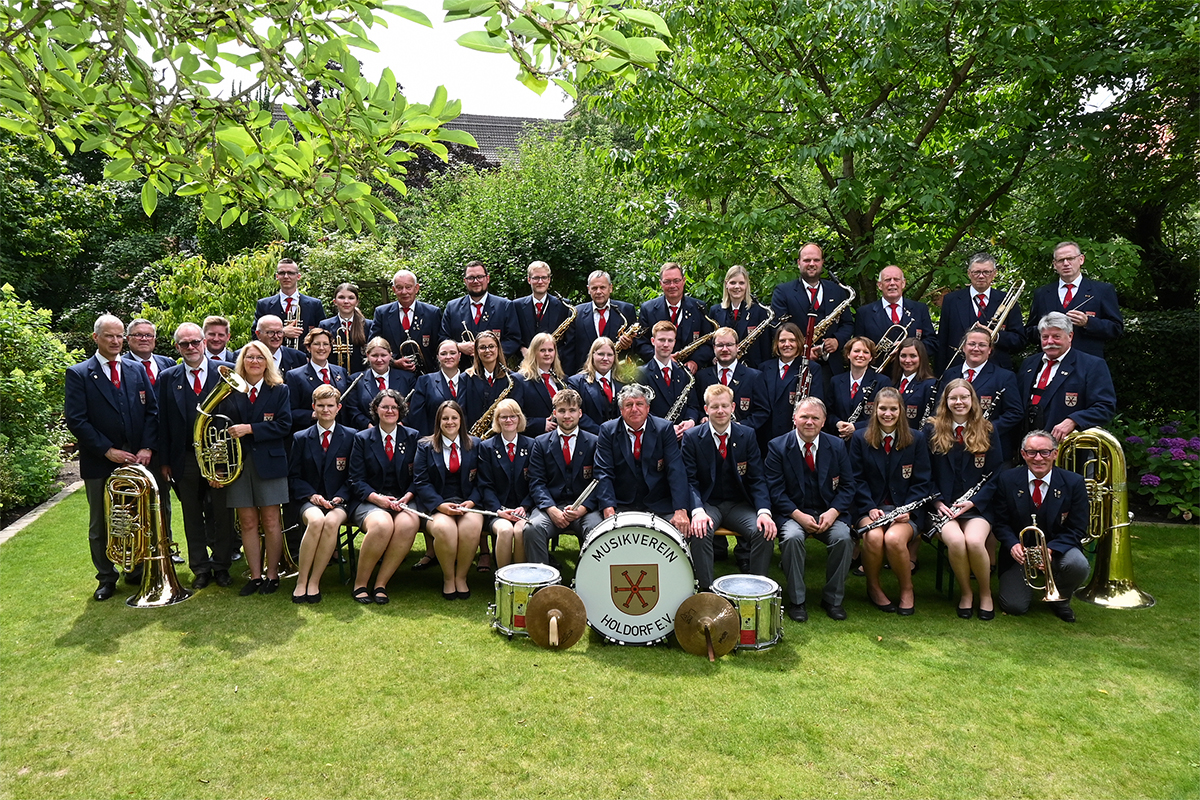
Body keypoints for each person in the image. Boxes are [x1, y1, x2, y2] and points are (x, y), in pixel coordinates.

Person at [64, 315, 159, 600]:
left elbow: (152, 411)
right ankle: (106, 577)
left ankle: (136, 568)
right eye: (109, 336)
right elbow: (77, 420)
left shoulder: (135, 369)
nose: (116, 341)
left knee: (138, 516)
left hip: (136, 459)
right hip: (100, 461)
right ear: (96, 338)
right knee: (102, 522)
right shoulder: (79, 373)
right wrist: (107, 450)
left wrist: (146, 447)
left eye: (119, 336)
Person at [157, 322, 236, 589]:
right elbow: (163, 422)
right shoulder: (168, 377)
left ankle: (222, 565)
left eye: (195, 342)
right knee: (191, 514)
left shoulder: (226, 372)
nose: (190, 347)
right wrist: (165, 461)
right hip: (185, 458)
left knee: (222, 514)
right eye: (184, 344)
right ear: (177, 347)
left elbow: (236, 414)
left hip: (219, 455)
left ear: (204, 342)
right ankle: (200, 567)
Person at [764, 397, 855, 622]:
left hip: (828, 513)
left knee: (844, 539)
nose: (809, 422)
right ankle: (797, 601)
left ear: (824, 422)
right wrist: (798, 515)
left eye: (815, 418)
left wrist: (834, 511)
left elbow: (848, 486)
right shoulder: (777, 447)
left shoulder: (837, 445)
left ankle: (832, 599)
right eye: (804, 416)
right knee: (793, 538)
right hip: (793, 513)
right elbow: (775, 491)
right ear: (794, 418)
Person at [681, 384, 776, 593]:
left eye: (724, 406)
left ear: (733, 407)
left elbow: (757, 478)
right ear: (706, 409)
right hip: (708, 504)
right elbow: (690, 480)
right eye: (715, 407)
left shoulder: (748, 435)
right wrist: (697, 511)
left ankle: (758, 591)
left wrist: (764, 512)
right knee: (699, 530)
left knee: (763, 530)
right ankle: (706, 592)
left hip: (738, 505)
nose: (720, 411)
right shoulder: (692, 438)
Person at [990, 430, 1090, 622]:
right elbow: (1000, 522)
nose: (1038, 458)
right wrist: (1012, 545)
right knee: (1014, 606)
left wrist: (1050, 550)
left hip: (1058, 550)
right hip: (1020, 554)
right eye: (1032, 452)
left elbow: (1077, 528)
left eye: (1044, 452)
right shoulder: (1007, 479)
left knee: (1078, 565)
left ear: (1055, 453)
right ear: (1023, 454)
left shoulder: (1073, 482)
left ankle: (1060, 600)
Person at [850, 387, 933, 615]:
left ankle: (907, 589)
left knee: (895, 539)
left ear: (901, 410)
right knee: (874, 537)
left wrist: (906, 510)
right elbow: (856, 479)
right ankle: (874, 587)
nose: (888, 413)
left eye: (893, 409)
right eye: (883, 408)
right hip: (870, 507)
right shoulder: (860, 438)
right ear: (874, 409)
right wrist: (869, 507)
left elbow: (922, 480)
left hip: (905, 509)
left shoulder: (916, 439)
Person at [925, 379, 1003, 620]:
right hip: (941, 508)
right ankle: (966, 593)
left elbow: (996, 472)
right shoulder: (931, 429)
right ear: (945, 402)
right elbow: (923, 472)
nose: (959, 402)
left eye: (964, 398)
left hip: (975, 506)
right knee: (957, 542)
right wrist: (937, 502)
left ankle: (986, 593)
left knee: (975, 541)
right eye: (953, 398)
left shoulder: (988, 429)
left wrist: (975, 501)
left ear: (973, 401)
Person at [220, 340, 293, 596]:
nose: (254, 362)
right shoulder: (229, 390)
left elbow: (285, 425)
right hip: (238, 464)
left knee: (272, 521)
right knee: (248, 522)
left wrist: (250, 429)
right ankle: (255, 575)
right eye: (249, 357)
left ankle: (273, 575)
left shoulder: (279, 390)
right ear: (242, 361)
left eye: (260, 358)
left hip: (270, 463)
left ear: (267, 362)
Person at [347, 390, 422, 604]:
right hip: (369, 500)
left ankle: (381, 583)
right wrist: (378, 499)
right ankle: (360, 583)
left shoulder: (413, 437)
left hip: (403, 500)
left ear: (400, 411)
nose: (390, 411)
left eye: (394, 407)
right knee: (382, 524)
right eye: (385, 407)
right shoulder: (362, 438)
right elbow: (355, 479)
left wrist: (407, 497)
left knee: (409, 524)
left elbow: (420, 476)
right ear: (376, 410)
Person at [594, 384, 690, 535]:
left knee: (682, 530)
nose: (634, 409)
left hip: (658, 503)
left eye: (639, 404)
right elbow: (603, 472)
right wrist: (609, 508)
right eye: (629, 405)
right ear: (621, 410)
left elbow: (676, 470)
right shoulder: (607, 430)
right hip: (622, 503)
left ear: (648, 408)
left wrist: (680, 510)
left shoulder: (664, 429)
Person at [288, 384, 354, 603]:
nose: (326, 410)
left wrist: (340, 496)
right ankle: (301, 581)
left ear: (338, 408)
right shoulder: (300, 437)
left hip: (339, 501)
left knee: (331, 522)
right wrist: (311, 496)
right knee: (316, 521)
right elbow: (294, 476)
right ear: (313, 408)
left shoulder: (352, 436)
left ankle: (315, 581)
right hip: (311, 499)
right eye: (321, 406)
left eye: (330, 406)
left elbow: (354, 476)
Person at [412, 401, 483, 599]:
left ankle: (461, 577)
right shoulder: (425, 445)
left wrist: (471, 502)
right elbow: (421, 481)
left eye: (454, 417)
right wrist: (440, 506)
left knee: (470, 529)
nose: (450, 422)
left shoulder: (475, 444)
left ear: (461, 420)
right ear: (438, 421)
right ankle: (449, 578)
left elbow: (484, 480)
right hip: (436, 504)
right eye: (445, 418)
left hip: (468, 503)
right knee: (445, 529)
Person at [525, 388, 603, 565]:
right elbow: (536, 482)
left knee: (595, 529)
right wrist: (551, 510)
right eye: (561, 411)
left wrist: (582, 509)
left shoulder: (594, 442)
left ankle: (587, 581)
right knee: (532, 528)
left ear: (580, 413)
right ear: (554, 414)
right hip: (551, 507)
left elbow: (599, 481)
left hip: (583, 509)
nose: (567, 415)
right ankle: (541, 583)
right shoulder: (540, 442)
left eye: (572, 410)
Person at [123, 318, 178, 556]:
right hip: (134, 451)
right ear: (128, 340)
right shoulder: (121, 365)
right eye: (138, 335)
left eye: (148, 335)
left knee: (162, 502)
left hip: (162, 448)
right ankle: (140, 553)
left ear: (155, 340)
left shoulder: (167, 364)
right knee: (134, 506)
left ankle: (166, 548)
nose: (144, 339)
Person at [1017, 312, 1116, 442]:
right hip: (1028, 445)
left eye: (1056, 336)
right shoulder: (1029, 363)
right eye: (1045, 337)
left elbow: (1105, 406)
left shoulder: (1092, 365)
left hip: (1065, 447)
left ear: (1070, 336)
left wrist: (1074, 420)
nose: (1050, 342)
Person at [937, 325, 1022, 462]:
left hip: (989, 448)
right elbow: (939, 408)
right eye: (971, 344)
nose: (976, 349)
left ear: (990, 350)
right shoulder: (949, 374)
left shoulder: (1005, 377)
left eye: (982, 345)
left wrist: (986, 430)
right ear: (964, 347)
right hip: (952, 446)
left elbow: (1015, 412)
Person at [769, 242, 855, 376]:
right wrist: (802, 350)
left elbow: (848, 323)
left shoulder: (837, 291)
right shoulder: (783, 291)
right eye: (807, 260)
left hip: (832, 367)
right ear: (799, 263)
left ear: (822, 262)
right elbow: (777, 327)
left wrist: (837, 340)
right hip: (796, 363)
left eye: (816, 260)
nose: (812, 264)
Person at [1025, 241, 1123, 357]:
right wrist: (1046, 330)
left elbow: (1116, 329)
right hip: (1051, 362)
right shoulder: (1042, 293)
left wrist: (1088, 322)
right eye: (1061, 260)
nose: (1066, 263)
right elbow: (1029, 332)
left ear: (1081, 259)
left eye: (1070, 258)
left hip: (1088, 364)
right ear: (1055, 264)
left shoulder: (1102, 290)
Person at [937, 252, 1024, 371]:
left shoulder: (1008, 301)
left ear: (994, 273)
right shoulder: (951, 300)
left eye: (986, 272)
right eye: (976, 272)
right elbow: (942, 340)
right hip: (958, 370)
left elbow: (1019, 340)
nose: (981, 276)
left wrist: (996, 337)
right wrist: (940, 375)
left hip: (997, 371)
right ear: (969, 273)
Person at [476, 398, 535, 569]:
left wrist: (524, 507)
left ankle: (519, 579)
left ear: (519, 418)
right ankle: (502, 579)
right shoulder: (486, 447)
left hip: (524, 509)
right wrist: (500, 510)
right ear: (497, 420)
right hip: (497, 510)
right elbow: (484, 484)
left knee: (520, 531)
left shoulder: (532, 445)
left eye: (513, 416)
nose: (508, 420)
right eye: (503, 417)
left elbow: (536, 482)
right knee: (506, 530)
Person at [853, 265, 938, 370]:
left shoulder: (919, 309)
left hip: (913, 376)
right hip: (877, 378)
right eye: (887, 280)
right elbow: (858, 346)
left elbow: (932, 342)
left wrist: (909, 349)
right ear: (880, 285)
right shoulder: (864, 313)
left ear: (903, 283)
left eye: (896, 279)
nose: (892, 283)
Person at [759, 322, 829, 450]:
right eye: (782, 341)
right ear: (776, 344)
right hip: (766, 435)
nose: (787, 344)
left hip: (796, 434)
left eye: (792, 340)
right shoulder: (764, 368)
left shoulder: (811, 368)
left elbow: (816, 402)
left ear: (799, 343)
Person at [634, 262, 715, 371]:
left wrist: (695, 362)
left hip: (690, 372)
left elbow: (708, 343)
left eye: (676, 281)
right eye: (667, 282)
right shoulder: (647, 309)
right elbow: (641, 344)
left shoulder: (699, 307)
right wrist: (662, 359)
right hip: (658, 371)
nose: (672, 286)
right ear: (660, 283)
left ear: (684, 281)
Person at [441, 260, 521, 365]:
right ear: (465, 281)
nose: (475, 281)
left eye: (480, 277)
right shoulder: (452, 307)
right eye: (471, 278)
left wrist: (489, 353)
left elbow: (514, 339)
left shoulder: (504, 306)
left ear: (487, 279)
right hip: (462, 372)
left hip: (494, 371)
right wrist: (458, 347)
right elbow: (442, 338)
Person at [695, 327, 769, 432]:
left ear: (737, 347)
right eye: (720, 345)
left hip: (743, 440)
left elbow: (762, 411)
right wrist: (703, 417)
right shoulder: (701, 377)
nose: (725, 349)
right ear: (714, 348)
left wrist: (741, 426)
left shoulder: (754, 377)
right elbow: (696, 406)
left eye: (729, 345)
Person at [635, 321, 700, 439]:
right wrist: (666, 427)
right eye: (661, 340)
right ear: (653, 341)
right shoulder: (640, 374)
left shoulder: (684, 372)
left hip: (683, 438)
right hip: (654, 438)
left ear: (674, 343)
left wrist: (691, 421)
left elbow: (693, 405)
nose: (666, 344)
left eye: (670, 340)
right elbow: (640, 409)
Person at [371, 269, 443, 373]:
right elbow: (373, 346)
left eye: (408, 287)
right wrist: (394, 362)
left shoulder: (432, 313)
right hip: (393, 375)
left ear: (416, 288)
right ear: (394, 289)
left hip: (425, 376)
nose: (404, 292)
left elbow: (438, 346)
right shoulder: (381, 313)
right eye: (399, 288)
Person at [565, 270, 636, 374]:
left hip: (618, 375)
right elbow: (569, 351)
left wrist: (629, 344)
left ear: (610, 288)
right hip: (584, 377)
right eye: (594, 288)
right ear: (588, 289)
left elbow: (637, 345)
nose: (598, 291)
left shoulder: (626, 310)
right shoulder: (576, 313)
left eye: (602, 287)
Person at [284, 327, 350, 433]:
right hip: (310, 436)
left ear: (330, 347)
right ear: (308, 347)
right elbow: (289, 411)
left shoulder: (341, 371)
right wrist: (314, 414)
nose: (321, 348)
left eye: (325, 344)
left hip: (340, 436)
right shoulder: (294, 376)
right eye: (316, 344)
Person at [344, 336, 417, 431]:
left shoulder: (408, 379)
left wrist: (400, 425)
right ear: (367, 355)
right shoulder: (356, 380)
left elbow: (413, 407)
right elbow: (353, 409)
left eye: (383, 355)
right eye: (374, 355)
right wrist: (370, 427)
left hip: (400, 432)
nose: (379, 360)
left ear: (391, 355)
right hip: (368, 434)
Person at [253, 258, 326, 350]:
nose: (286, 276)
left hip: (305, 359)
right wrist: (282, 332)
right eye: (282, 273)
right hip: (273, 359)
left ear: (298, 276)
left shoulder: (314, 304)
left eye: (291, 273)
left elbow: (322, 335)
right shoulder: (264, 305)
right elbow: (255, 335)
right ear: (277, 276)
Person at [464, 329, 524, 439]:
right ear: (476, 351)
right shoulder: (466, 378)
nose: (487, 350)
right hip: (473, 439)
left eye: (491, 346)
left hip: (504, 438)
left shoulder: (513, 379)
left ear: (498, 349)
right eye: (482, 347)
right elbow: (462, 412)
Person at [828, 336, 892, 439]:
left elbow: (885, 414)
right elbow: (829, 412)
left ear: (871, 357)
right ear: (848, 354)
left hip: (868, 440)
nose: (861, 355)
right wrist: (838, 423)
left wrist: (856, 427)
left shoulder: (882, 382)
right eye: (856, 351)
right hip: (840, 441)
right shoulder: (835, 381)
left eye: (866, 352)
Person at [408, 339, 472, 437]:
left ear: (459, 356)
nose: (448, 357)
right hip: (434, 441)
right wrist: (427, 442)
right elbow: (417, 417)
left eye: (453, 353)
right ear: (438, 357)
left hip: (466, 441)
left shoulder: (470, 380)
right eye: (443, 354)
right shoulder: (425, 381)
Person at [710, 265, 771, 368]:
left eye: (741, 283)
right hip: (722, 369)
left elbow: (765, 347)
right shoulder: (715, 311)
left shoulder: (759, 311)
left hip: (752, 370)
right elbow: (710, 343)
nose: (737, 287)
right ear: (726, 284)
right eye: (733, 282)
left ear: (747, 285)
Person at [514, 260, 573, 365]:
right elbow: (513, 335)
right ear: (529, 280)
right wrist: (522, 349)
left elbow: (568, 342)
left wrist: (554, 356)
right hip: (525, 364)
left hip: (555, 365)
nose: (540, 282)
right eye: (536, 278)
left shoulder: (563, 305)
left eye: (544, 277)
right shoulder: (516, 305)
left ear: (549, 279)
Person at [567, 337, 624, 435]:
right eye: (601, 354)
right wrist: (602, 432)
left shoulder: (624, 382)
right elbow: (574, 413)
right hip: (590, 439)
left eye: (609, 355)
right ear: (592, 355)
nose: (605, 358)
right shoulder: (576, 383)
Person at [515, 332, 565, 437]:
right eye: (542, 350)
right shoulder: (520, 380)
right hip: (535, 439)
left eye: (550, 350)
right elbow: (514, 416)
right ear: (533, 353)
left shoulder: (562, 379)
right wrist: (540, 424)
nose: (547, 354)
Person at [319, 282, 374, 374]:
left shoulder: (368, 325)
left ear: (357, 302)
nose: (346, 301)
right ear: (335, 302)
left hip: (362, 376)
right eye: (341, 297)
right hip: (333, 376)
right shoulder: (325, 325)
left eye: (351, 298)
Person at [887, 337, 935, 430]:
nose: (907, 360)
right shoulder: (892, 383)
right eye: (903, 356)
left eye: (913, 356)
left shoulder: (930, 385)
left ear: (921, 358)